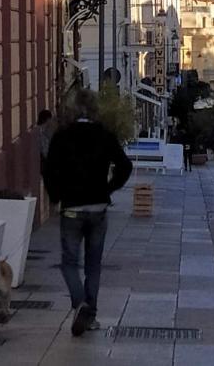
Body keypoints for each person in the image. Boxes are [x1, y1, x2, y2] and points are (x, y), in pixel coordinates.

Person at [43, 88, 132, 336]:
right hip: (98, 207)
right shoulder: (104, 134)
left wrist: (56, 195)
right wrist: (109, 189)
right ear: (94, 109)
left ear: (72, 109)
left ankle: (79, 301)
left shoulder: (62, 136)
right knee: (94, 265)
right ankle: (90, 315)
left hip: (71, 207)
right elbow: (125, 165)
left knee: (69, 262)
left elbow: (49, 170)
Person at [37, 109, 54, 175]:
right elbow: (45, 151)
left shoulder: (44, 130)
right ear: (47, 119)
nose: (52, 121)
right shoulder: (40, 132)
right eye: (51, 119)